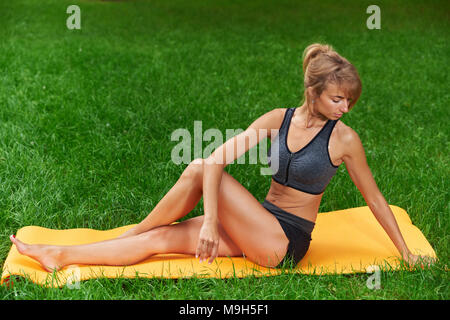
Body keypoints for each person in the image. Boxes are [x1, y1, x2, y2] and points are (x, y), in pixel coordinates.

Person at [9, 43, 434, 272]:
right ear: (314, 91)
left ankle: (129, 232)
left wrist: (405, 253)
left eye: (349, 102)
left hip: (284, 244)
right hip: (258, 224)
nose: (345, 108)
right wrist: (212, 221)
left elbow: (375, 198)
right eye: (338, 98)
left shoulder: (344, 140)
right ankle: (60, 256)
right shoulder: (277, 119)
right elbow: (218, 159)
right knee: (161, 239)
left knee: (199, 167)